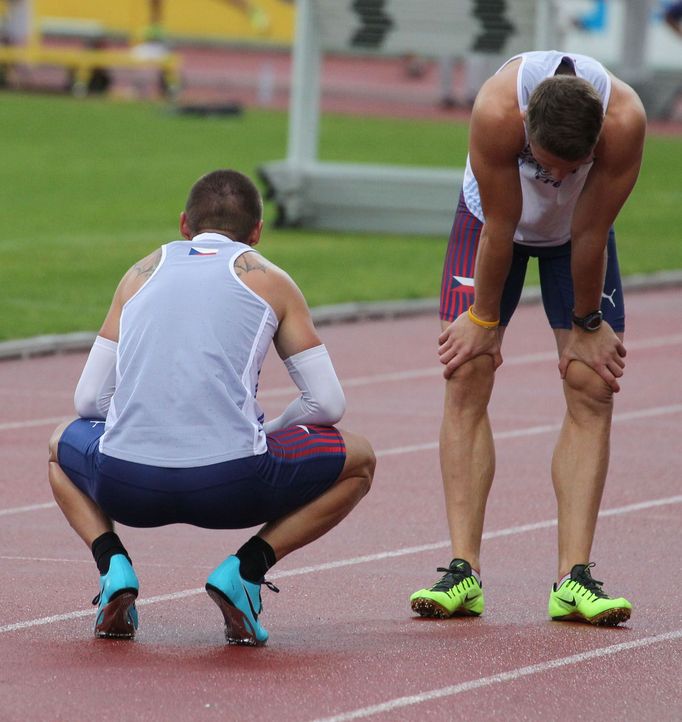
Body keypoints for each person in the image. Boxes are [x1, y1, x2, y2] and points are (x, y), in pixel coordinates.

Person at [48, 169, 375, 646]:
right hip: (234, 486)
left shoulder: (137, 274)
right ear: (256, 233)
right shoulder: (273, 281)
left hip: (125, 486)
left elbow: (87, 402)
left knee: (59, 444)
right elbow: (327, 403)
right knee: (360, 459)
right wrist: (275, 430)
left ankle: (112, 566)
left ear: (184, 224)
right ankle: (246, 571)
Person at [409, 51, 646, 626]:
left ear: (596, 143)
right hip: (491, 224)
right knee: (467, 370)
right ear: (526, 136)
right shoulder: (496, 109)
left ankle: (574, 578)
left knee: (593, 385)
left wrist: (587, 327)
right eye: (547, 166)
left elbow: (590, 231)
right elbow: (501, 226)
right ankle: (462, 570)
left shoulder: (625, 120)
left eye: (574, 168)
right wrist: (484, 324)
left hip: (577, 237)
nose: (559, 179)